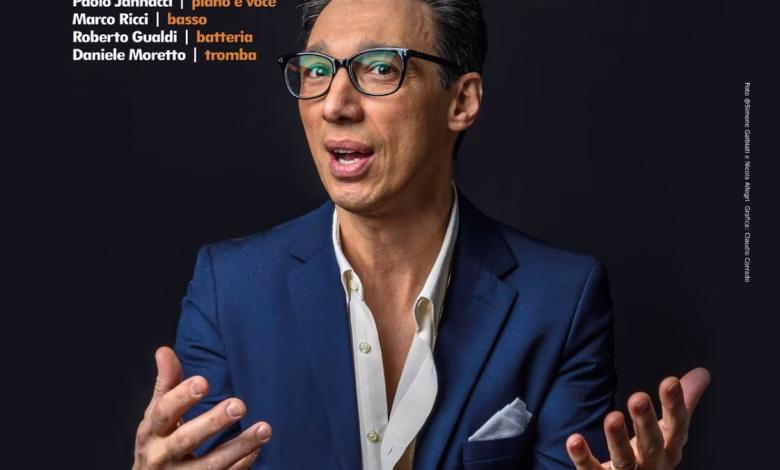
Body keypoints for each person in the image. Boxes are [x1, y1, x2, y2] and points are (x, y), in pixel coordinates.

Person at [132, 0, 711, 469]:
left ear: (461, 101)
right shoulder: (229, 289)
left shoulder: (562, 301)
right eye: (316, 70)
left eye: (379, 68)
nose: (335, 105)